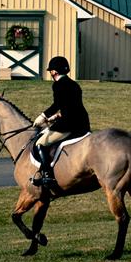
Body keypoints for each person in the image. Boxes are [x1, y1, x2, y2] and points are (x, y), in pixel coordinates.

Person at [30, 56, 90, 191]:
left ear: (54, 72)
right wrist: (57, 116)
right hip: (82, 122)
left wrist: (43, 116)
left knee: (40, 143)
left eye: (51, 70)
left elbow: (57, 104)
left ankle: (47, 175)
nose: (50, 73)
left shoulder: (58, 84)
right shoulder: (74, 84)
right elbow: (71, 106)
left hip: (69, 124)